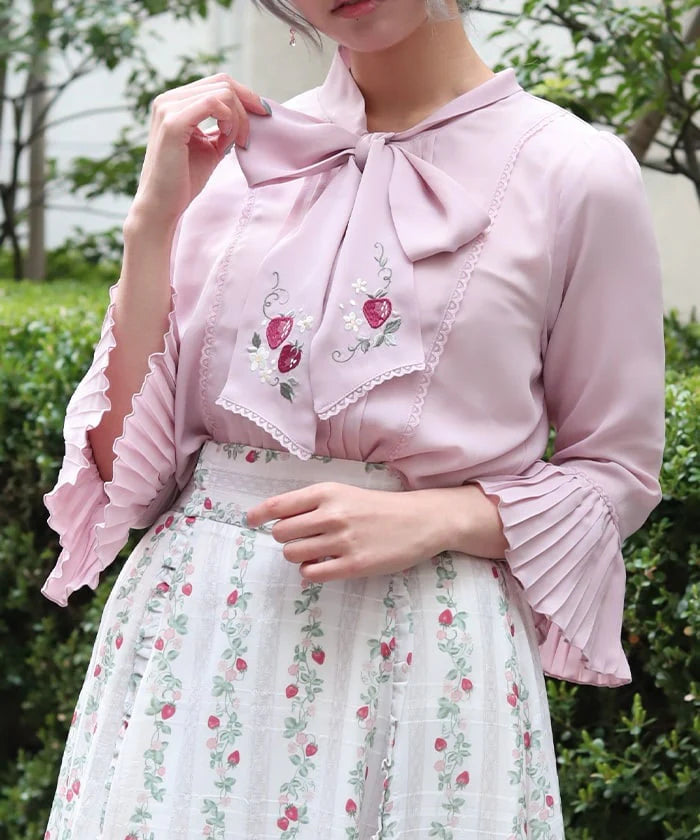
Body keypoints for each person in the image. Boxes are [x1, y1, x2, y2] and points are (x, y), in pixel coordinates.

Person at [41, 1, 666, 838]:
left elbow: (617, 473)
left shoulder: (576, 172)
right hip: (193, 649)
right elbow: (130, 476)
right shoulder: (227, 159)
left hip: (425, 647)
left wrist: (437, 515)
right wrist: (151, 227)